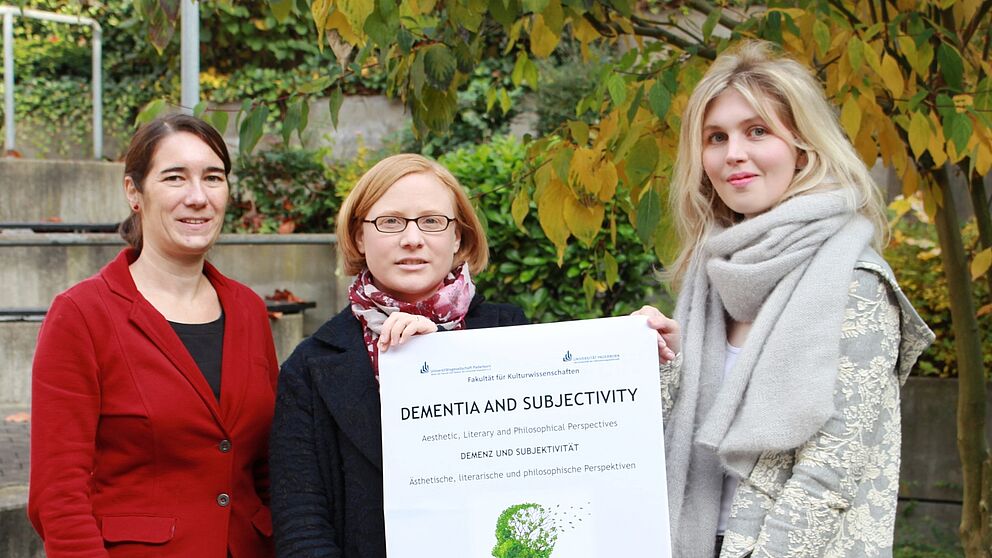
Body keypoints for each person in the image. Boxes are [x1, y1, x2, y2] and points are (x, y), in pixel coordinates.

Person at [634, 41, 935, 557]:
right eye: (716, 137)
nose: (734, 153)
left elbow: (830, 477)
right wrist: (665, 361)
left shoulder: (855, 280)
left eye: (758, 131)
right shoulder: (713, 281)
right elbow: (678, 442)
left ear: (802, 146)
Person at [28, 114, 278, 557]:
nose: (198, 197)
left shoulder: (249, 310)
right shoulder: (82, 315)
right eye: (175, 178)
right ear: (134, 192)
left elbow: (264, 468)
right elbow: (58, 496)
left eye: (213, 178)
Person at [269, 154, 528, 557]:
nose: (412, 238)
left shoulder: (514, 335)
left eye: (432, 221)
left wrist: (635, 353)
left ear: (457, 237)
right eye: (390, 222)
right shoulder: (309, 369)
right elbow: (302, 523)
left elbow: (563, 466)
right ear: (358, 237)